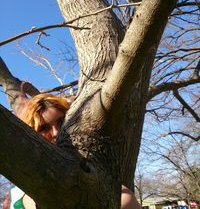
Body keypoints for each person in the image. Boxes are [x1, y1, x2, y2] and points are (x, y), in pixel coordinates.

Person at [4, 83, 141, 209]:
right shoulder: (19, 188)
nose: (56, 132)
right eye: (44, 128)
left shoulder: (91, 168)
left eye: (61, 121)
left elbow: (126, 201)